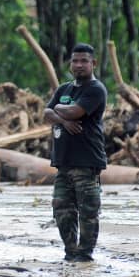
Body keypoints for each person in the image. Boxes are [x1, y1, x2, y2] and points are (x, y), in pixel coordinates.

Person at [43, 43, 108, 262]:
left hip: (87, 161)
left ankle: (85, 254)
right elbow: (46, 113)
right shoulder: (64, 89)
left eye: (84, 61)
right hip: (63, 162)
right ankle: (70, 252)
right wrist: (64, 120)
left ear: (93, 63)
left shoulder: (96, 89)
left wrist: (61, 111)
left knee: (88, 211)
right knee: (62, 209)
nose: (79, 65)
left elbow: (74, 111)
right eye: (75, 61)